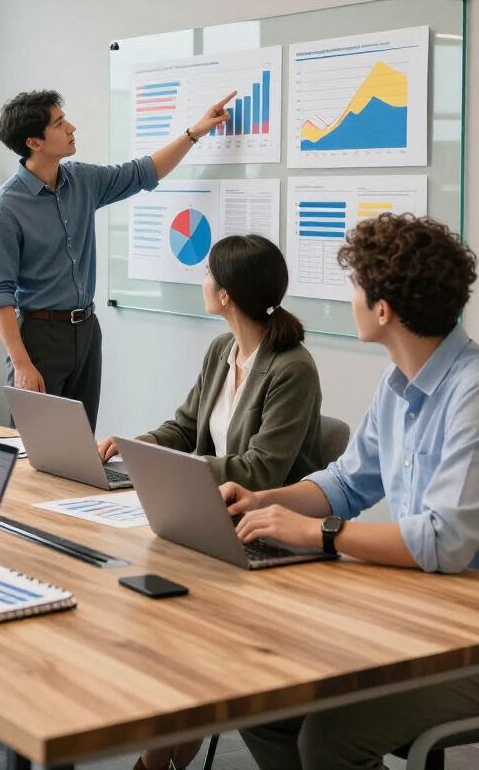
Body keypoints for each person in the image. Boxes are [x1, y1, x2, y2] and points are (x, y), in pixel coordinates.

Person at [219, 214, 479, 770]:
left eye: (355, 289)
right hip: (425, 613)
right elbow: (345, 482)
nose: (350, 300)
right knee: (261, 701)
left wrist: (320, 534)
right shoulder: (398, 383)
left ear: (382, 310)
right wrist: (266, 501)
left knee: (330, 738)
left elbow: (444, 540)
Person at [97, 233, 323, 770]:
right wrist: (134, 447)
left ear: (226, 294)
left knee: (170, 617)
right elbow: (184, 426)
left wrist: (176, 472)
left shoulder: (293, 367)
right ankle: (166, 746)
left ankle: (156, 756)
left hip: (267, 530)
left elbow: (262, 468)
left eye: (207, 275)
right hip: (208, 517)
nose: (202, 283)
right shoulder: (222, 351)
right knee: (149, 603)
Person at [0, 89, 234, 431]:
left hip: (86, 332)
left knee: (79, 447)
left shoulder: (82, 179)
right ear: (34, 142)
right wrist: (21, 363)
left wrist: (195, 133)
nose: (70, 127)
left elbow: (143, 172)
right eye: (58, 123)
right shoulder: (4, 208)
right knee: (35, 450)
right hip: (38, 338)